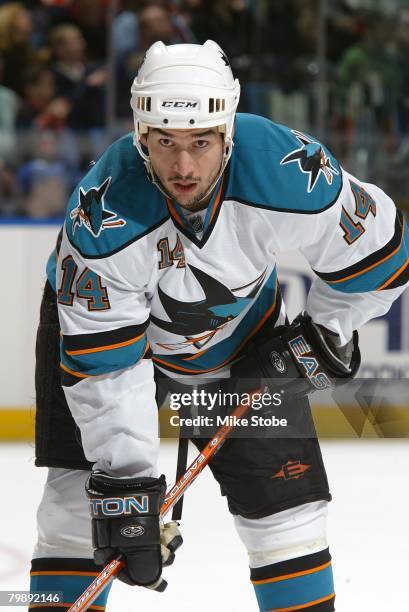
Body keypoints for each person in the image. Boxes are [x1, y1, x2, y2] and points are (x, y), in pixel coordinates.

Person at [30, 40, 409, 611]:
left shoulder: (287, 171)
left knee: (288, 517)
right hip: (109, 352)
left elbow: (385, 254)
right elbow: (107, 367)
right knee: (76, 512)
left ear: (227, 132)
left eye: (201, 143)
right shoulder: (101, 219)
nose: (184, 167)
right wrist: (127, 484)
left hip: (241, 343)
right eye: (166, 144)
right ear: (141, 135)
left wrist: (325, 332)